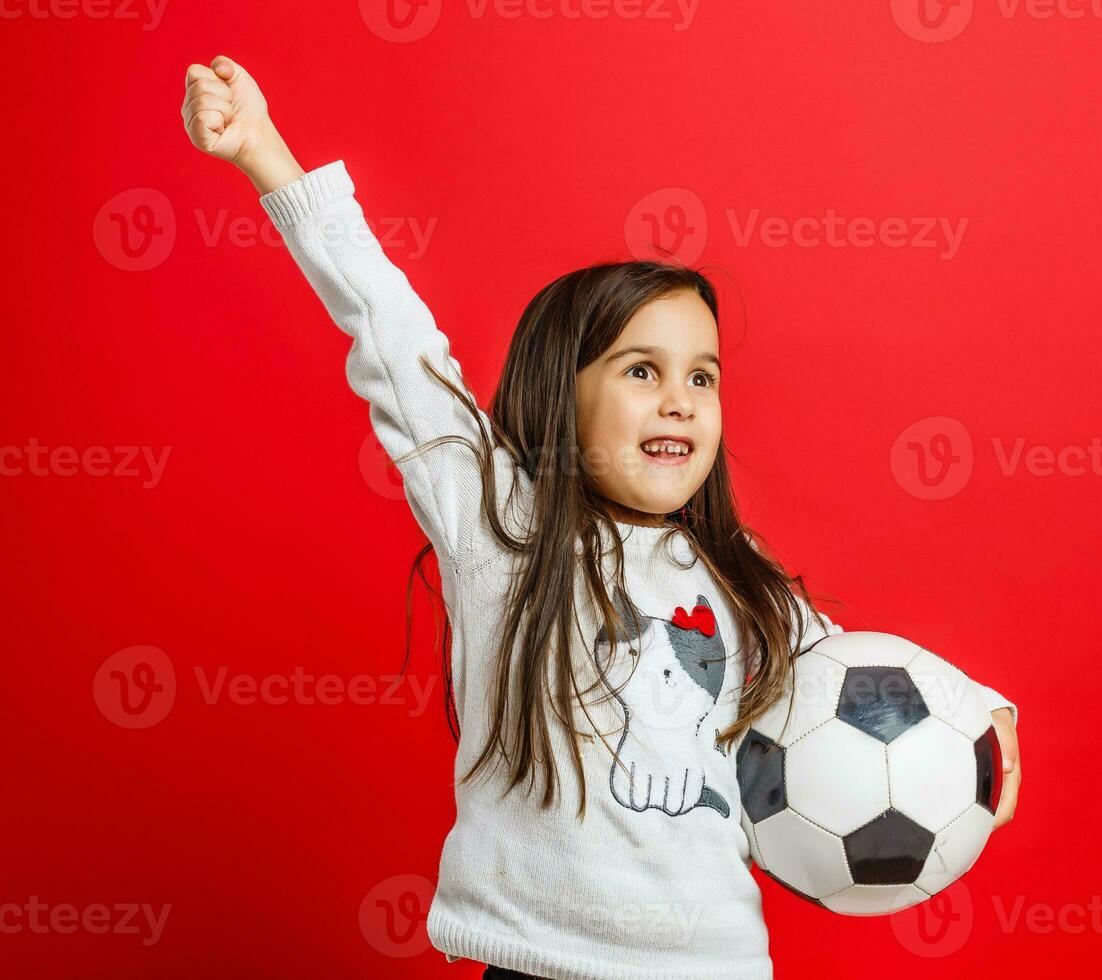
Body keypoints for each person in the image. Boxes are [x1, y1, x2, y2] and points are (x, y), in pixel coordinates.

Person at [181, 54, 1022, 980]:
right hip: (537, 959)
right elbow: (391, 331)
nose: (680, 401)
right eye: (640, 370)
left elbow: (852, 678)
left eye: (702, 376)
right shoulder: (501, 524)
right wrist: (267, 156)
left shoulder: (739, 577)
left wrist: (981, 717)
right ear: (562, 394)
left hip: (715, 966)